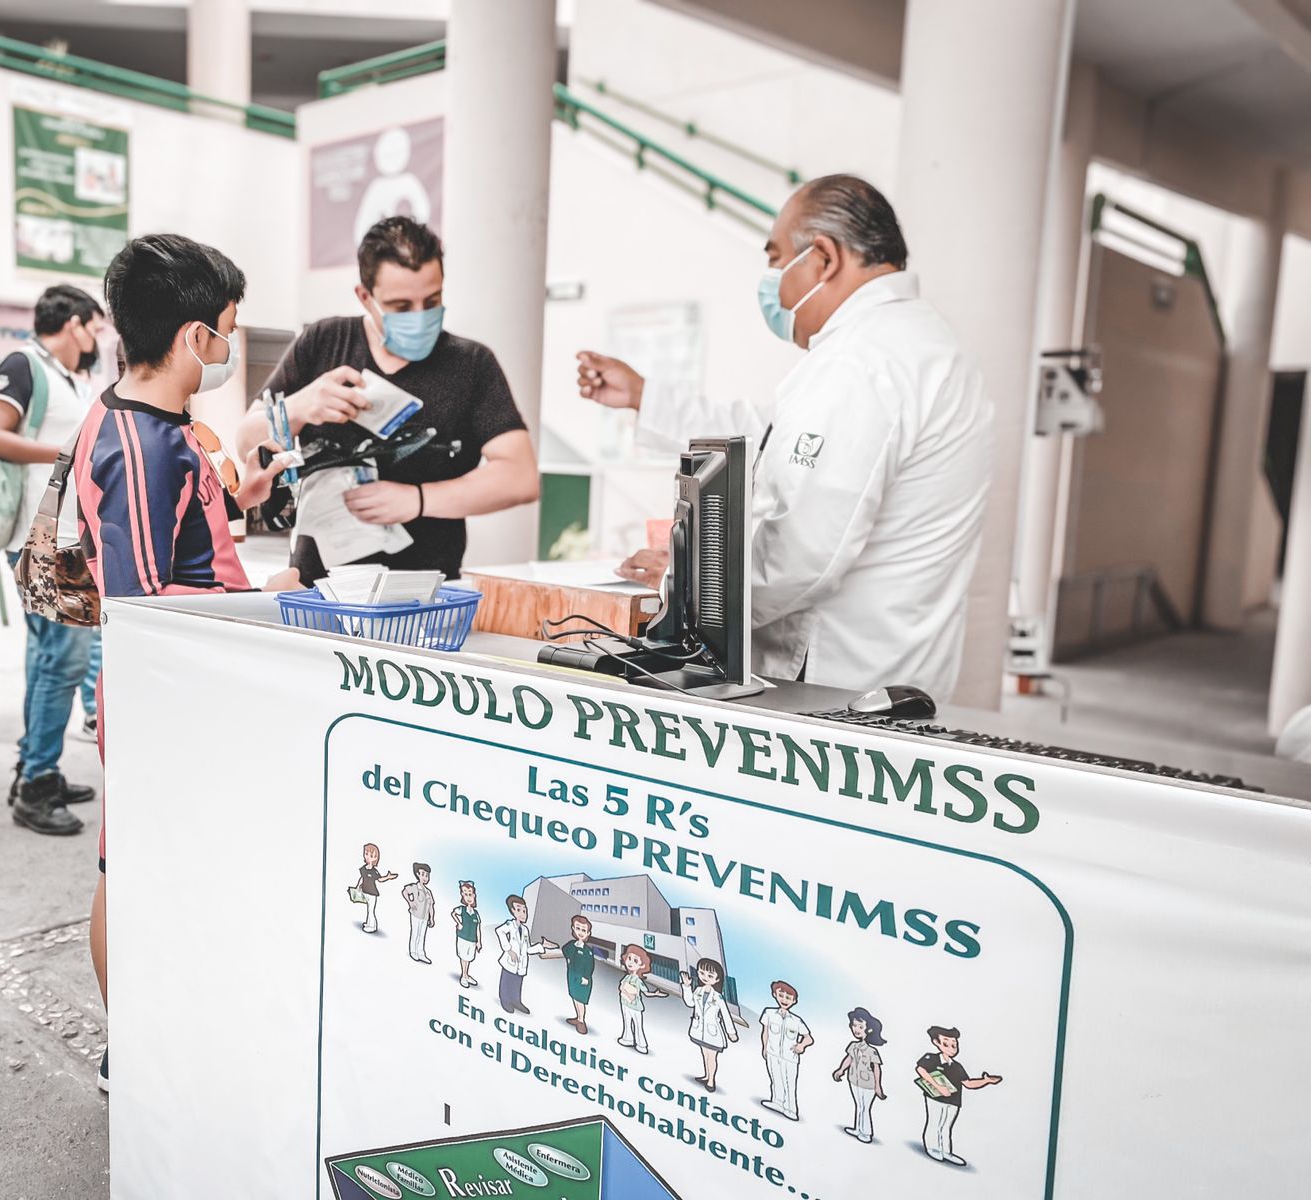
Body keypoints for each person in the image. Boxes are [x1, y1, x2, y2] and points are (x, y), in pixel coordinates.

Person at [576, 175, 993, 701]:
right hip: (893, 670)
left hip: (835, 687)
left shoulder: (863, 362)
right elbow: (773, 430)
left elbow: (802, 555)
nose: (772, 282)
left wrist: (683, 584)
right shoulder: (921, 343)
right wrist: (645, 396)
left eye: (776, 261)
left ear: (823, 258)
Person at [73, 233, 298, 1091]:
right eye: (227, 330)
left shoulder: (148, 418)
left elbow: (174, 546)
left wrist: (234, 501)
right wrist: (268, 599)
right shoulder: (141, 443)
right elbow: (139, 607)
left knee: (152, 865)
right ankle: (128, 1048)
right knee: (126, 871)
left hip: (184, 690)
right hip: (161, 694)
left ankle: (159, 1025)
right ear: (195, 335)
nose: (229, 348)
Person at [236, 216, 539, 581]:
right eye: (400, 306)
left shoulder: (471, 364)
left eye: (432, 301)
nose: (419, 316)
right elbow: (246, 442)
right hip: (315, 587)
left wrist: (417, 500)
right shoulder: (324, 341)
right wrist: (298, 407)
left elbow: (520, 477)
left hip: (425, 596)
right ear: (365, 297)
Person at [0, 284, 108, 837]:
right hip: (46, 539)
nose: (97, 341)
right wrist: (67, 454)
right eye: (95, 329)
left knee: (45, 656)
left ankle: (36, 768)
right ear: (75, 323)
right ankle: (36, 783)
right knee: (66, 661)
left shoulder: (64, 376)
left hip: (62, 536)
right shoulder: (24, 364)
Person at [915, 1025, 1003, 1166]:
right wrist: (939, 1087)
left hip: (954, 1100)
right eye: (946, 1044)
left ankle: (946, 1151)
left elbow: (967, 1083)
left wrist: (986, 1081)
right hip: (936, 1097)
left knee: (946, 1126)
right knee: (935, 1122)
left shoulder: (957, 1066)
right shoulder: (931, 1058)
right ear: (936, 1043)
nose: (951, 1047)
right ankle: (932, 1147)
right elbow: (921, 1070)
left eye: (954, 1044)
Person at [680, 958, 737, 1093]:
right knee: (704, 1054)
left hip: (713, 1032)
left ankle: (711, 1080)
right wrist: (687, 986)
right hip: (700, 1029)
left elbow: (726, 1015)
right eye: (702, 973)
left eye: (710, 976)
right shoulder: (698, 991)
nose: (705, 977)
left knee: (711, 1056)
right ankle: (706, 1075)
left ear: (717, 979)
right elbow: (690, 1003)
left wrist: (731, 1032)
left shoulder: (718, 997)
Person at [831, 1006, 887, 1144]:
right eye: (854, 1025)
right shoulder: (853, 1046)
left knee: (865, 1107)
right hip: (854, 1080)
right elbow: (849, 1059)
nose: (856, 1029)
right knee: (859, 1106)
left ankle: (866, 1133)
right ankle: (858, 1128)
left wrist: (877, 1086)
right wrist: (840, 1070)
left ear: (868, 1030)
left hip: (868, 1084)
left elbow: (876, 1068)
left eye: (860, 1026)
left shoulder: (871, 1050)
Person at [758, 979, 814, 1119]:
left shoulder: (796, 1021)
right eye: (781, 995)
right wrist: (765, 1047)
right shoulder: (769, 1013)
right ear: (774, 995)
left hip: (790, 1057)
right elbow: (765, 1032)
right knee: (775, 1078)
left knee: (790, 1083)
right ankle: (777, 1102)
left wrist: (801, 1045)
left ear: (794, 1001)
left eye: (788, 998)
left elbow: (809, 1038)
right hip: (772, 1053)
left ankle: (791, 1109)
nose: (784, 1000)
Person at [539, 914, 597, 1035]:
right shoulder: (572, 945)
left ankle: (581, 1021)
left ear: (588, 933)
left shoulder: (587, 951)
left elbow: (589, 966)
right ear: (573, 929)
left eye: (584, 930)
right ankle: (577, 1018)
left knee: (580, 1000)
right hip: (572, 977)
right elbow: (563, 951)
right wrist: (550, 946)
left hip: (582, 979)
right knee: (574, 997)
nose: (580, 932)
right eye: (578, 928)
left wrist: (586, 977)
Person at [494, 895, 549, 1015]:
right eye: (518, 910)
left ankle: (516, 1001)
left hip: (521, 963)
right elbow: (499, 931)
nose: (523, 913)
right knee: (507, 981)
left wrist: (541, 946)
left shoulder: (525, 930)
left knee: (517, 982)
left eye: (524, 910)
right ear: (512, 911)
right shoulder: (510, 925)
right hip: (510, 961)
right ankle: (505, 1000)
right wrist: (508, 949)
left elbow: (528, 948)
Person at [615, 944, 667, 1054]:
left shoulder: (638, 981)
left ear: (642, 965)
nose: (630, 962)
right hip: (625, 1003)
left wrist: (656, 994)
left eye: (635, 960)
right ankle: (627, 1038)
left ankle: (641, 1045)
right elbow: (621, 987)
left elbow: (646, 993)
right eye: (629, 958)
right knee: (626, 1022)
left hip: (635, 1006)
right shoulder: (627, 977)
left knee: (638, 1025)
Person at [355, 842, 398, 933]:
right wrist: (358, 886)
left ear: (375, 858)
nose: (367, 856)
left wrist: (387, 877)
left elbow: (380, 879)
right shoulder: (363, 868)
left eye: (370, 855)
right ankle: (368, 923)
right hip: (365, 891)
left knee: (371, 910)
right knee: (368, 909)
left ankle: (372, 926)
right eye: (366, 854)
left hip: (372, 893)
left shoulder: (374, 871)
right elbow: (362, 878)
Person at [451, 881, 482, 988]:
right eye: (466, 895)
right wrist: (459, 923)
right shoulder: (462, 909)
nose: (469, 897)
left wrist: (479, 941)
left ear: (474, 896)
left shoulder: (476, 914)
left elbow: (478, 927)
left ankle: (466, 975)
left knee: (469, 958)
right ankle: (464, 976)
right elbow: (453, 913)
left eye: (470, 895)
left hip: (472, 939)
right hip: (463, 937)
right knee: (464, 957)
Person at [402, 863, 436, 964]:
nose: (425, 877)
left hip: (425, 917)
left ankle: (421, 953)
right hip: (416, 915)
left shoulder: (428, 892)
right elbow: (405, 891)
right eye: (423, 874)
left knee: (422, 935)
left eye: (427, 875)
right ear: (418, 874)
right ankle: (413, 951)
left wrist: (432, 918)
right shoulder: (414, 887)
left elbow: (431, 906)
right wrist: (411, 902)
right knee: (415, 933)